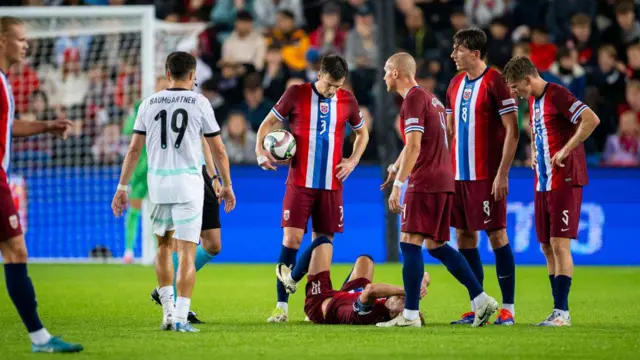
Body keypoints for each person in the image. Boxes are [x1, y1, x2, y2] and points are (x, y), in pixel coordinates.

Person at [112, 51, 236, 333]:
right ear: (192, 76)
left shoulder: (148, 103)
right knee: (188, 253)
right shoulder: (199, 102)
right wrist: (226, 184)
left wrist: (122, 186)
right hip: (188, 184)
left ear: (167, 74)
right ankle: (180, 317)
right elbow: (218, 148)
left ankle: (167, 314)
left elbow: (133, 149)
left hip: (159, 185)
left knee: (164, 248)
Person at [376, 52, 498, 328]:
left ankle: (409, 315)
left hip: (426, 180)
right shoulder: (432, 99)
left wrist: (398, 186)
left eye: (386, 70)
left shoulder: (412, 100)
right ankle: (480, 299)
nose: (383, 76)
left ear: (396, 73)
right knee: (437, 245)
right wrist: (396, 166)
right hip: (445, 178)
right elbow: (419, 144)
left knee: (409, 241)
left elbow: (416, 145)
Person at [255, 53, 369, 323]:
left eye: (338, 86)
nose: (333, 91)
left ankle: (316, 304)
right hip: (299, 181)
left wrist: (353, 160)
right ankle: (281, 307)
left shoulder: (348, 100)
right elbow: (267, 124)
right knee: (291, 240)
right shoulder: (296, 93)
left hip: (332, 184)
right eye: (329, 84)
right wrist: (260, 152)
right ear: (318, 75)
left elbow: (362, 133)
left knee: (324, 245)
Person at [0, 16, 83, 353]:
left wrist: (46, 125)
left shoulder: (4, 82)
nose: (26, 45)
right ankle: (40, 339)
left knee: (15, 250)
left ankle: (40, 338)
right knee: (16, 250)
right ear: (2, 40)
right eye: (20, 39)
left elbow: (8, 127)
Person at [503, 56, 600, 326]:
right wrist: (535, 152)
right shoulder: (534, 101)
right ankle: (557, 310)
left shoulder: (557, 93)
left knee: (559, 244)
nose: (514, 93)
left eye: (515, 87)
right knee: (546, 246)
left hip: (565, 179)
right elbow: (538, 131)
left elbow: (591, 119)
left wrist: (567, 150)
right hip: (543, 180)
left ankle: (562, 312)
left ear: (527, 79)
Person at [445, 28, 519, 325]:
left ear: (475, 53)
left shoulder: (496, 82)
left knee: (497, 235)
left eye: (458, 50)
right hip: (458, 176)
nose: (453, 55)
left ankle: (509, 309)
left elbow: (513, 130)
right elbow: (451, 130)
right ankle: (479, 305)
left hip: (486, 176)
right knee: (464, 236)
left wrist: (502, 174)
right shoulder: (454, 84)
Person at [276, 238, 428, 326]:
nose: (404, 299)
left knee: (322, 242)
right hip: (346, 296)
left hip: (321, 303)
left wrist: (410, 290)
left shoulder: (373, 312)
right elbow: (425, 275)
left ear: (395, 314)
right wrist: (422, 284)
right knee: (365, 260)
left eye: (404, 303)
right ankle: (342, 292)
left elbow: (370, 289)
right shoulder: (387, 304)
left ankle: (291, 279)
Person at [121, 75, 169, 264]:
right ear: (156, 87)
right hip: (141, 170)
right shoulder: (142, 108)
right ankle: (129, 251)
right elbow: (127, 131)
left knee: (160, 212)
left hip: (162, 170)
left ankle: (159, 252)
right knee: (135, 210)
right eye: (161, 86)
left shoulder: (174, 111)